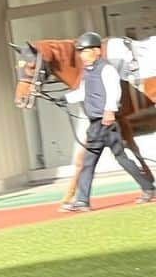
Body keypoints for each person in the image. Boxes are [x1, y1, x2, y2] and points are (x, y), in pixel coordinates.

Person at [62, 31, 155, 213]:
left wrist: (109, 111)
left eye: (85, 51)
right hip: (97, 124)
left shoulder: (107, 69)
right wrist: (63, 99)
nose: (82, 55)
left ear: (97, 51)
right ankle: (148, 187)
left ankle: (82, 201)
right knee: (119, 158)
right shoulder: (88, 73)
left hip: (104, 123)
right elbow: (82, 93)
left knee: (93, 161)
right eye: (80, 52)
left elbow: (114, 92)